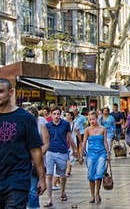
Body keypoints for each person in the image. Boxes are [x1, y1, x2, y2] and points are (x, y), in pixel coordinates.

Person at [0, 79, 46, 209]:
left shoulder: (25, 117)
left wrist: (41, 178)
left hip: (17, 179)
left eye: (1, 92)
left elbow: (35, 150)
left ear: (11, 92)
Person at [44, 107, 77, 207]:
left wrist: (74, 150)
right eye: (54, 114)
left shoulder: (65, 124)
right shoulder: (47, 125)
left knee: (62, 175)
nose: (56, 116)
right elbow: (45, 139)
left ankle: (63, 192)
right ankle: (49, 199)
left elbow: (69, 137)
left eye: (58, 114)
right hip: (50, 151)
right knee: (49, 175)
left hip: (62, 151)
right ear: (51, 114)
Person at [78, 111, 110, 203]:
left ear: (97, 118)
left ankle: (97, 193)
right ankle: (92, 195)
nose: (92, 121)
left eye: (93, 119)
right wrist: (80, 156)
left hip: (101, 152)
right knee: (91, 174)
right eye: (90, 119)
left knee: (99, 173)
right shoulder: (87, 130)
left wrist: (108, 153)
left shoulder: (103, 129)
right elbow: (84, 143)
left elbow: (105, 141)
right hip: (91, 154)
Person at [26, 107, 50, 209]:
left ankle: (33, 207)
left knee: (33, 189)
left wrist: (36, 155)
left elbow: (46, 144)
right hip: (23, 161)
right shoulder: (22, 126)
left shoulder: (41, 127)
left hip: (36, 162)